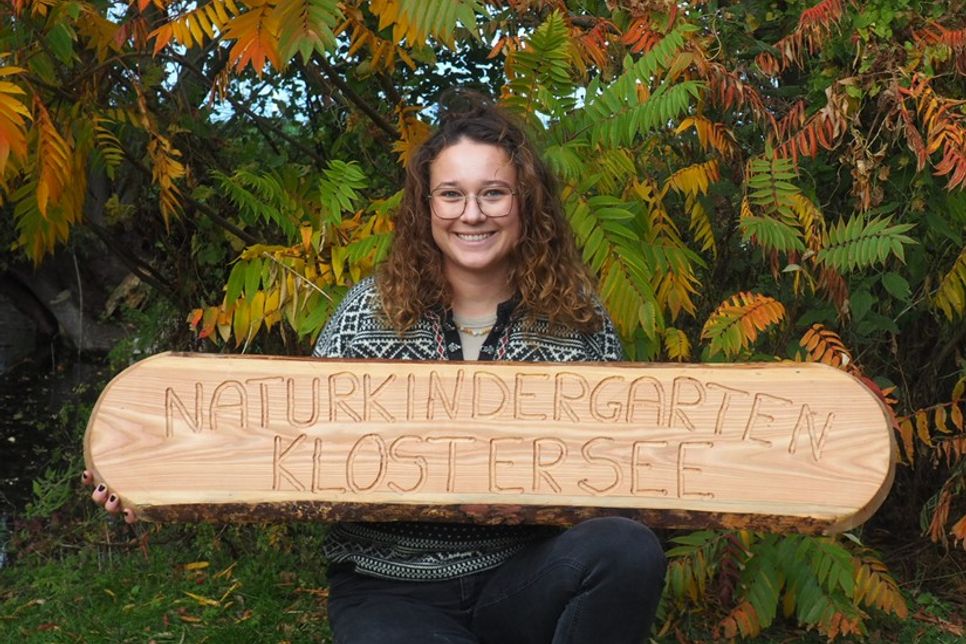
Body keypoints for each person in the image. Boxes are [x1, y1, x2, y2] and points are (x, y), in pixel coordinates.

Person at [85, 93, 667, 643]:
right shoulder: (367, 313)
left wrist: (542, 491)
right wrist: (153, 476)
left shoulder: (576, 319)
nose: (471, 214)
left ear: (525, 203)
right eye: (451, 195)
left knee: (627, 547)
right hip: (390, 587)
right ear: (426, 205)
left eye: (493, 193)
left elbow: (612, 468)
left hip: (521, 574)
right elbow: (292, 448)